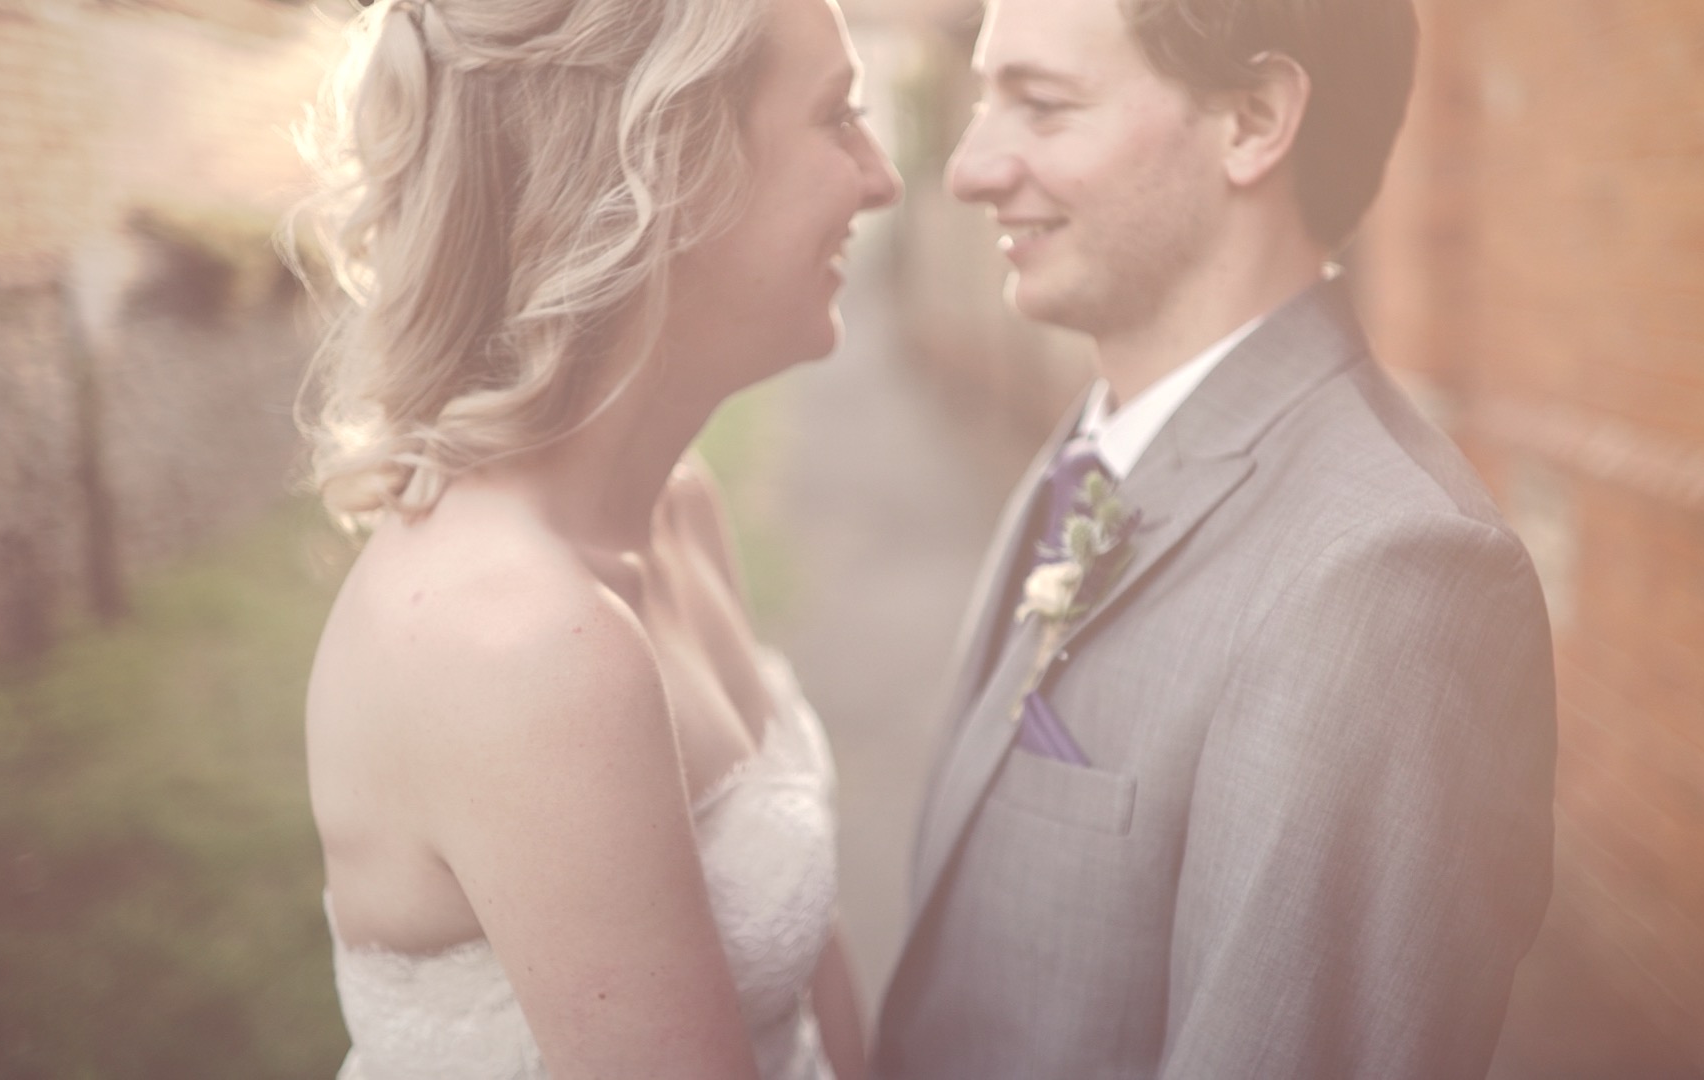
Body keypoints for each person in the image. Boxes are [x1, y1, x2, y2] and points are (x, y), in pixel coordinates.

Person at [872, 0, 1556, 1076]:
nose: (969, 170)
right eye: (980, 103)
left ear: (1252, 120)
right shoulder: (1096, 445)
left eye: (1042, 107)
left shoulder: (1386, 574)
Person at [294, 0, 899, 1075]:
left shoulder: (679, 507)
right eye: (837, 116)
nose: (881, 176)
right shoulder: (518, 646)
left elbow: (810, 969)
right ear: (673, 169)